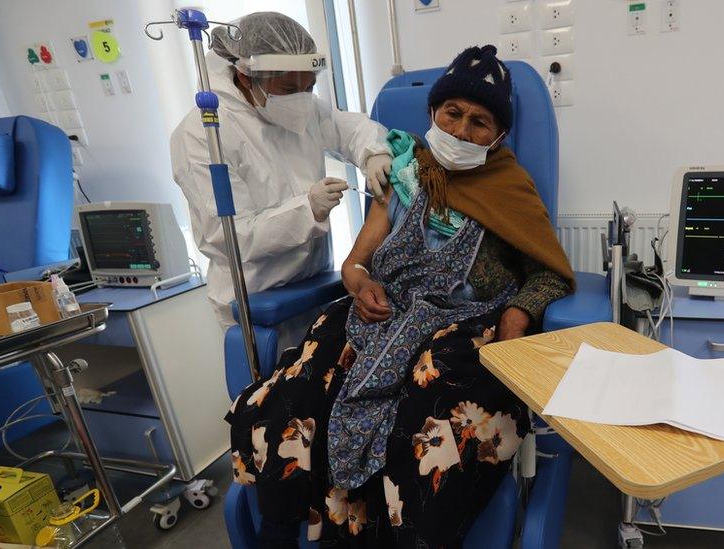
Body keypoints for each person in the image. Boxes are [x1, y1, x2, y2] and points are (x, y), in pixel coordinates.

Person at [227, 45, 574, 548]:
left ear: (498, 135)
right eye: (452, 113)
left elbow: (549, 272)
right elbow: (356, 261)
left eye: (480, 122)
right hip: (380, 309)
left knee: (426, 419)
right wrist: (360, 283)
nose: (460, 130)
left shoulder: (511, 190)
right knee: (296, 393)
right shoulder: (403, 174)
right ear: (433, 113)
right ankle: (281, 528)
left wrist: (519, 313)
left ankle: (401, 538)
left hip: (463, 321)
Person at [170, 12, 393, 326]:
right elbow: (230, 237)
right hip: (259, 302)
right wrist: (307, 209)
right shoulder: (204, 135)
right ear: (247, 76)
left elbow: (350, 129)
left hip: (316, 287)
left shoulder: (304, 107)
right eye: (289, 88)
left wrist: (375, 153)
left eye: (310, 86)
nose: (302, 99)